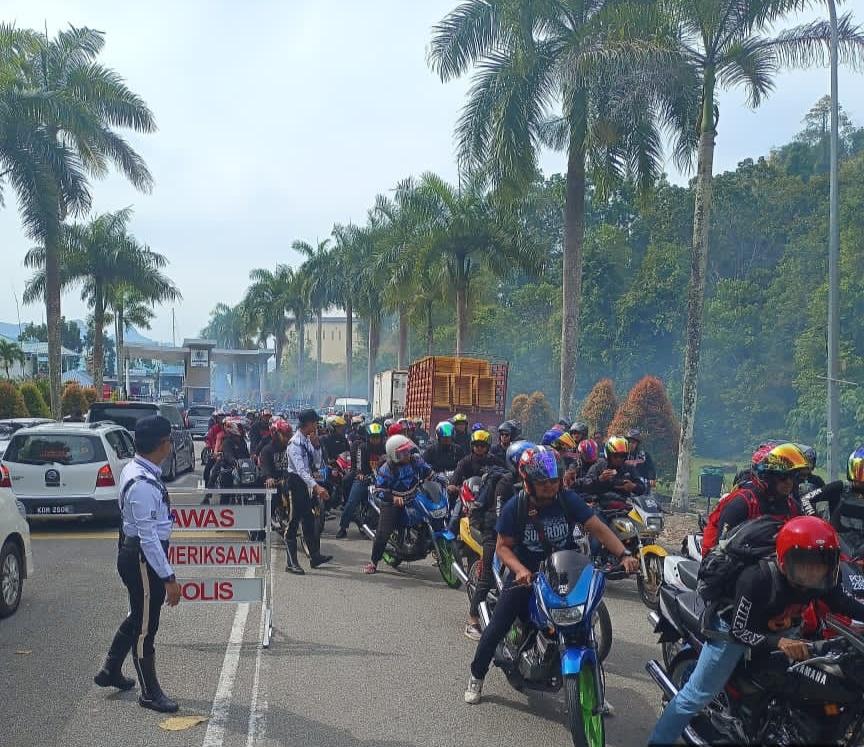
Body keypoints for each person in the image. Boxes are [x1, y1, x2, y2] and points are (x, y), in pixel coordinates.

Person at [648, 515, 864, 745]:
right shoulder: (758, 578)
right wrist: (778, 643)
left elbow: (845, 604)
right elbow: (739, 631)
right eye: (804, 563)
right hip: (732, 628)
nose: (812, 572)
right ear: (784, 560)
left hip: (779, 627)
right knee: (696, 696)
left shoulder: (821, 580)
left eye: (820, 563)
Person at [464, 447, 639, 704]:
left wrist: (624, 554)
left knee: (584, 627)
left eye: (553, 481)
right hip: (526, 575)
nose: (549, 487)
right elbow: (502, 547)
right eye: (542, 482)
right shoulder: (516, 506)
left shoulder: (567, 500)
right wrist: (520, 570)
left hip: (562, 572)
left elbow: (598, 529)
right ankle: (477, 677)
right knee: (496, 627)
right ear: (528, 482)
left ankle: (594, 690)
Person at [95, 415, 181, 713]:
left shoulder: (139, 469)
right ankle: (150, 693)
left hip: (137, 556)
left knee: (137, 615)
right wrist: (169, 578)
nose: (171, 443)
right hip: (143, 561)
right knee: (146, 627)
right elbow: (148, 539)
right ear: (161, 444)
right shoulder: (142, 484)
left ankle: (110, 670)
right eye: (169, 439)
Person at [463, 439, 535, 641]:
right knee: (487, 573)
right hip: (495, 530)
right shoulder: (504, 483)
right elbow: (500, 514)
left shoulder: (534, 482)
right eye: (527, 462)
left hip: (521, 531)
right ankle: (472, 619)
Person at [701, 443, 807, 557]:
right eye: (782, 476)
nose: (788, 482)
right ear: (766, 476)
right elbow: (720, 550)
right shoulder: (741, 504)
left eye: (792, 476)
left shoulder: (792, 506)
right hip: (731, 560)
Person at [364, 435, 433, 574]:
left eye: (407, 451)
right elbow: (379, 490)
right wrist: (393, 497)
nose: (407, 455)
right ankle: (373, 562)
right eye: (403, 452)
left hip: (414, 496)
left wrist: (438, 478)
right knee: (383, 533)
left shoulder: (416, 460)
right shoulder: (386, 469)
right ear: (394, 455)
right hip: (392, 501)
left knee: (429, 516)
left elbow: (428, 472)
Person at [284, 409, 332, 574]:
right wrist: (316, 487)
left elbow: (317, 463)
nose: (316, 425)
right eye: (314, 422)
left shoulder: (308, 440)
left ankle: (315, 556)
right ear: (308, 423)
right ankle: (290, 563)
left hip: (306, 484)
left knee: (309, 520)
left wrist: (317, 445)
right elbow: (301, 470)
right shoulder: (295, 443)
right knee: (293, 522)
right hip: (296, 483)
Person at [337, 422, 386, 538]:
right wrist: (360, 474)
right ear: (368, 437)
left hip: (382, 480)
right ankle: (343, 527)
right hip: (364, 477)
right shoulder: (362, 447)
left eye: (377, 437)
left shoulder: (385, 448)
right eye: (373, 437)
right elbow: (358, 465)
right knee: (352, 501)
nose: (375, 439)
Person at [448, 430, 504, 500]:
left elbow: (504, 473)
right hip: (468, 496)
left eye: (482, 445)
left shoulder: (494, 460)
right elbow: (457, 473)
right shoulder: (466, 461)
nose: (479, 448)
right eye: (477, 445)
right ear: (472, 446)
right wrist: (452, 485)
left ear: (487, 447)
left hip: (489, 499)